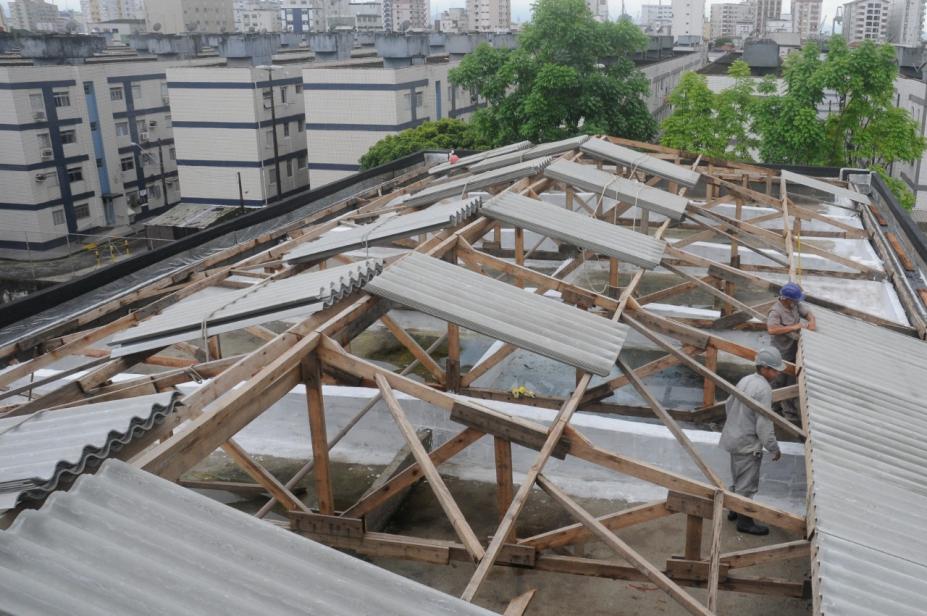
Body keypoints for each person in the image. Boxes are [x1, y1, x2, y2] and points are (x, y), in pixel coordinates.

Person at [719, 347, 784, 536]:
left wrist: (736, 424)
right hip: (747, 443)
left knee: (738, 477)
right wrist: (773, 447)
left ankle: (733, 510)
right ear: (763, 368)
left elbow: (728, 404)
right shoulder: (764, 389)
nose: (777, 373)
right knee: (747, 484)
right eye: (774, 369)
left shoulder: (746, 380)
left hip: (734, 438)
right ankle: (744, 522)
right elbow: (764, 423)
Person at [766, 282, 815, 422]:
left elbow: (808, 313)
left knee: (791, 384)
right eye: (794, 300)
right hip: (780, 354)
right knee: (777, 383)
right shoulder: (776, 311)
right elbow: (772, 329)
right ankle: (772, 412)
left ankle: (790, 416)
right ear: (786, 299)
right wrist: (796, 326)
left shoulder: (794, 305)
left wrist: (812, 321)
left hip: (793, 353)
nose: (796, 302)